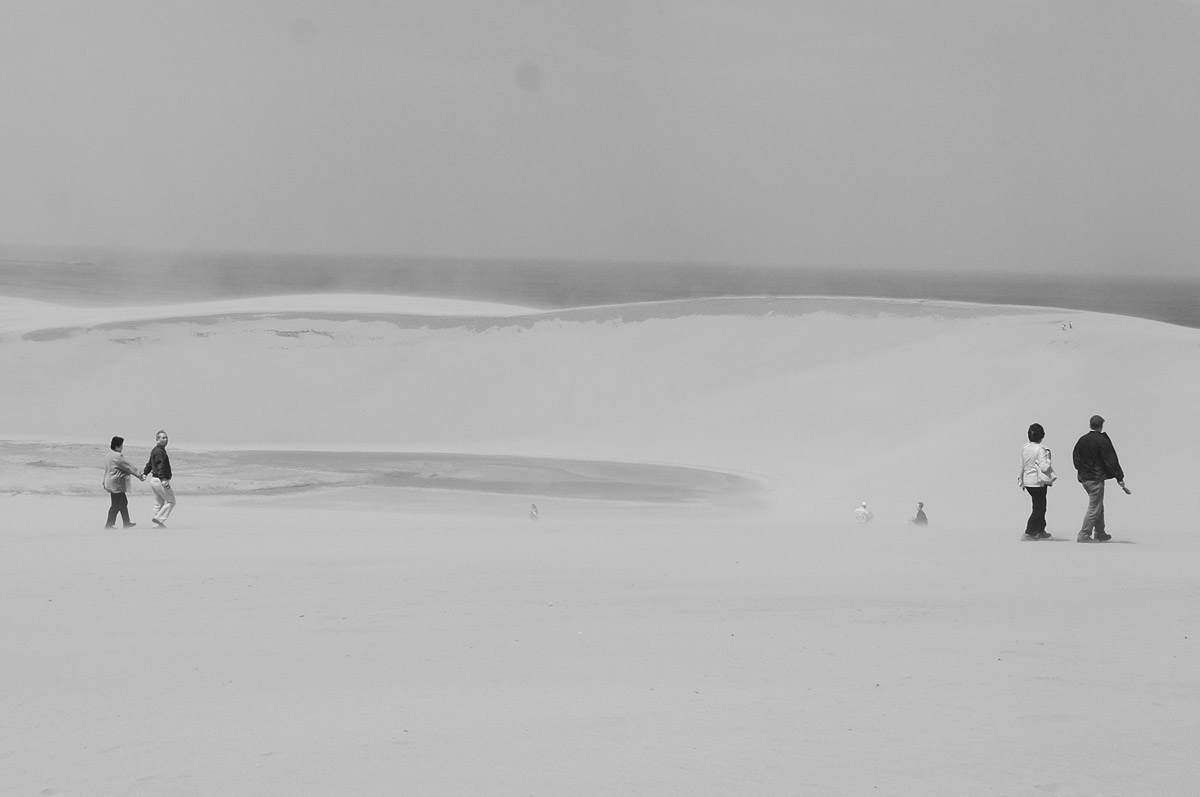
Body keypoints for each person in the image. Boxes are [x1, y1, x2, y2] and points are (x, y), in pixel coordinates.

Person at [1071, 415, 1131, 543]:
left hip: (1084, 478)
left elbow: (1075, 457)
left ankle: (1100, 532)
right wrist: (1119, 477)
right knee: (1094, 507)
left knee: (1098, 505)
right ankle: (1084, 534)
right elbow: (1111, 460)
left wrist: (1081, 470)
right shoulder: (1102, 441)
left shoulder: (1082, 440)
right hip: (1096, 478)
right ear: (1101, 426)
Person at [1019, 422, 1056, 541]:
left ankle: (1040, 530)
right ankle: (1029, 532)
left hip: (1028, 480)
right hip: (1037, 482)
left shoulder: (1025, 448)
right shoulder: (1041, 449)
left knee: (1039, 505)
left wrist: (1021, 480)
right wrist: (1049, 459)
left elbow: (1022, 465)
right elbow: (1044, 467)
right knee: (1039, 508)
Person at [102, 436, 144, 529]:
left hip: (110, 482)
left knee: (121, 502)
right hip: (115, 484)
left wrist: (103, 481)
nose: (122, 447)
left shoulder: (109, 455)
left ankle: (126, 522)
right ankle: (110, 524)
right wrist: (139, 474)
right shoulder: (117, 456)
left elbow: (107, 470)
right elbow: (128, 466)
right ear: (117, 446)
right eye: (121, 445)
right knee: (117, 504)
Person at [142, 429, 176, 528]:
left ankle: (156, 525)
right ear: (157, 439)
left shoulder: (156, 450)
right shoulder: (159, 452)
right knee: (171, 501)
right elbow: (160, 466)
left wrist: (145, 473)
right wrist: (163, 479)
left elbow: (149, 464)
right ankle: (158, 520)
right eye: (163, 438)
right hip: (159, 480)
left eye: (166, 438)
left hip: (154, 480)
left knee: (159, 503)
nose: (165, 440)